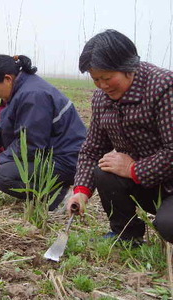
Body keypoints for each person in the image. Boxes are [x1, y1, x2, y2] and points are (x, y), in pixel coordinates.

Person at [66, 29, 173, 244]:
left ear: (128, 69)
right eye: (96, 79)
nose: (103, 86)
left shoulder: (164, 87)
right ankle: (126, 234)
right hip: (150, 185)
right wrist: (81, 191)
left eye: (107, 78)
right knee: (105, 170)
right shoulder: (101, 99)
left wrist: (134, 169)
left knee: (168, 225)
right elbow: (92, 149)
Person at [0, 55, 87, 211]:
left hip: (68, 160)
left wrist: (2, 160)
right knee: (8, 168)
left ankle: (59, 196)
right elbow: (6, 122)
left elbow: (31, 144)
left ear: (7, 79)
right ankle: (53, 189)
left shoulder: (32, 95)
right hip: (56, 154)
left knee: (3, 176)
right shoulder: (22, 89)